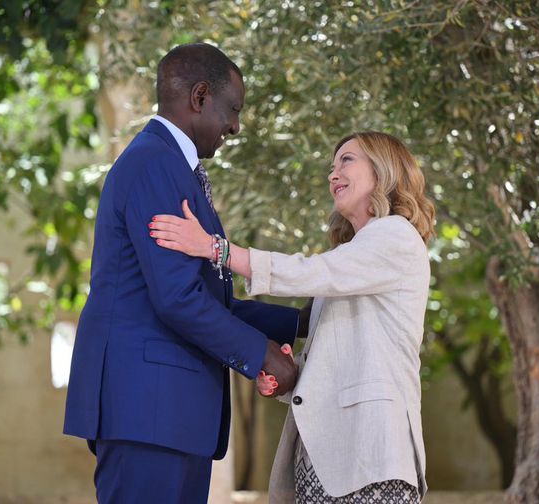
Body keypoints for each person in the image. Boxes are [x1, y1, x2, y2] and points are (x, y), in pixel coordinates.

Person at [63, 42, 302, 503]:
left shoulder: (171, 166)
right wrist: (263, 356)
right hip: (148, 411)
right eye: (232, 110)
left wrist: (304, 321)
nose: (235, 126)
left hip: (168, 415)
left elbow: (211, 300)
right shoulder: (155, 164)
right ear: (199, 97)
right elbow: (177, 298)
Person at [150, 131, 436, 503]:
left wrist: (214, 249)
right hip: (326, 460)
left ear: (384, 170)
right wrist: (289, 376)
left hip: (371, 456)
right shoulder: (354, 255)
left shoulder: (395, 236)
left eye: (347, 161)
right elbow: (340, 355)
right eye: (332, 167)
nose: (333, 174)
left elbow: (310, 271)